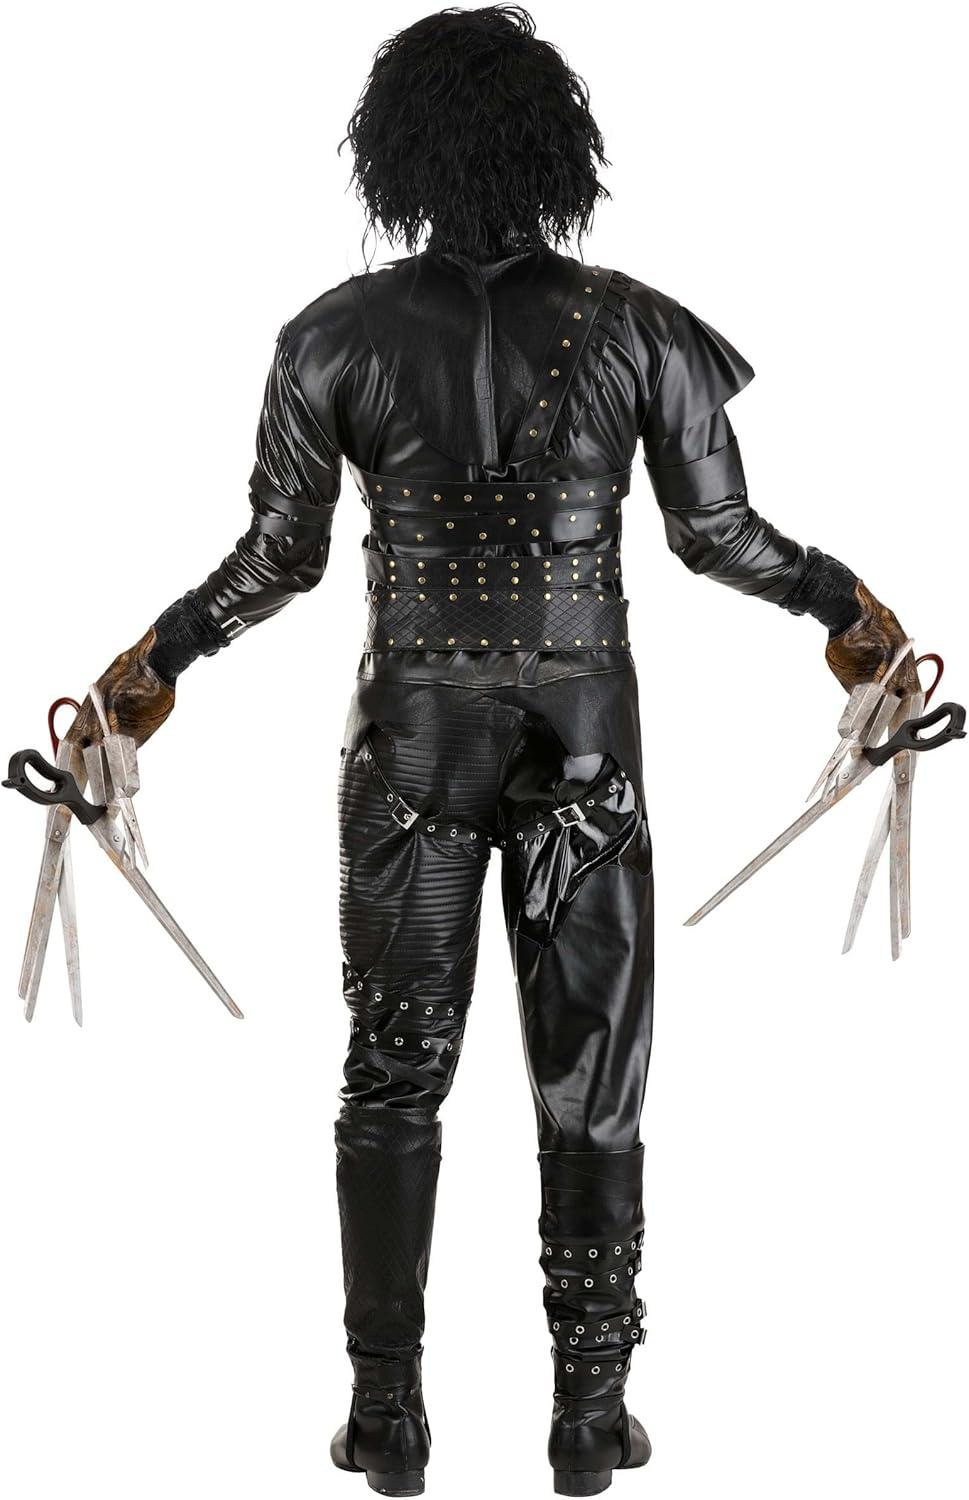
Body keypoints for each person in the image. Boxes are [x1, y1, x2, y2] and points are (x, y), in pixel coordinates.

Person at [64, 8, 917, 1495]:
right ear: (554, 149)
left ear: (394, 154)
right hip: (584, 736)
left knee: (392, 1075)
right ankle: (589, 1418)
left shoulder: (332, 335)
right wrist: (849, 610)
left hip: (411, 742)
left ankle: (386, 1418)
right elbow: (720, 536)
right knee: (592, 1081)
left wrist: (144, 675)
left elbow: (277, 561)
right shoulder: (639, 325)